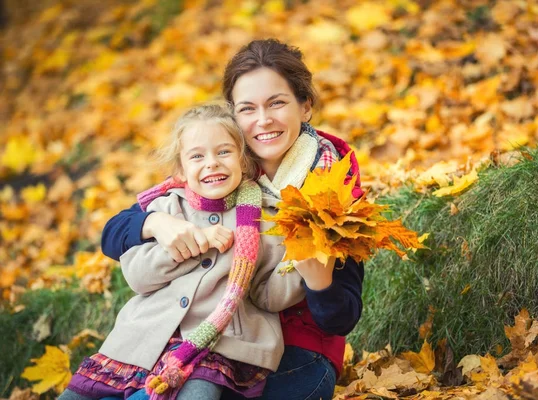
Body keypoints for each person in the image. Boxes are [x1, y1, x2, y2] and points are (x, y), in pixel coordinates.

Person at [102, 39, 365, 400]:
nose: (263, 120)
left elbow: (341, 317)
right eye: (247, 108)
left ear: (305, 106)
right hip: (211, 338)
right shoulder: (221, 165)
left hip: (297, 349)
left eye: (277, 103)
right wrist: (155, 225)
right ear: (233, 116)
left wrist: (319, 284)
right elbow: (113, 234)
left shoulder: (332, 182)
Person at [60, 104, 305, 400]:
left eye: (224, 152)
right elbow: (138, 277)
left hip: (220, 343)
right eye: (197, 156)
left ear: (244, 161)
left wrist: (302, 259)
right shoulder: (165, 208)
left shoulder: (265, 218)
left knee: (197, 395)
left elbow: (269, 295)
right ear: (181, 169)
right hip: (144, 339)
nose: (212, 163)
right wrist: (191, 244)